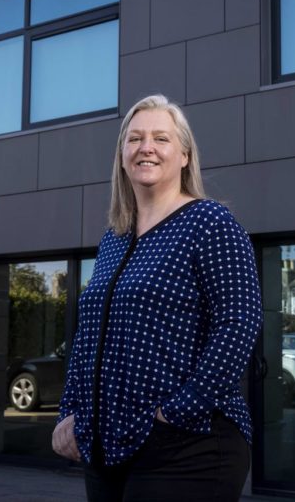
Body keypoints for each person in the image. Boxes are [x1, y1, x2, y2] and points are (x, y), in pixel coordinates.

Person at [52, 94, 263, 501]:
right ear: (122, 155)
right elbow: (90, 335)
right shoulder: (113, 238)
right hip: (108, 446)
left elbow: (239, 323)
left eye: (160, 138)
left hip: (188, 444)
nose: (146, 147)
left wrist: (178, 411)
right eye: (135, 139)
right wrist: (70, 410)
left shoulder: (210, 222)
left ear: (184, 155)